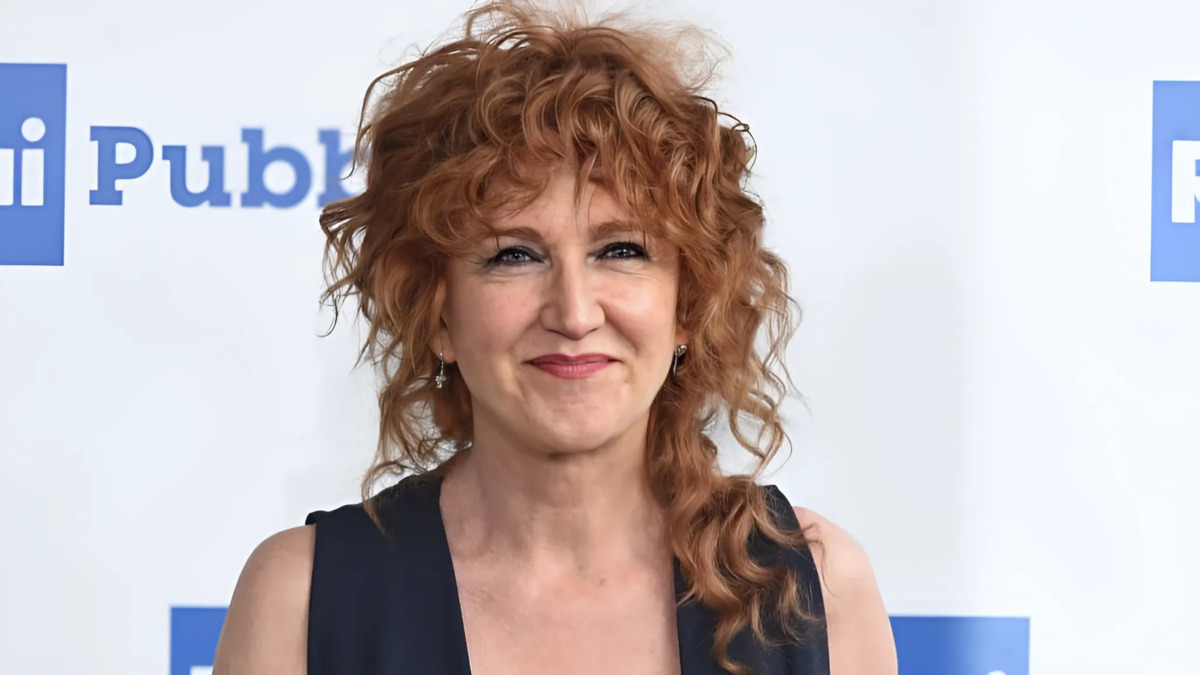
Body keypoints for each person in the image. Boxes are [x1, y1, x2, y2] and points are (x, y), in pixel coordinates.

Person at [213, 1, 897, 673]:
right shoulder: (300, 602)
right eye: (514, 255)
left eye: (621, 250)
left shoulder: (817, 592)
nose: (573, 313)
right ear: (437, 312)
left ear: (687, 303)